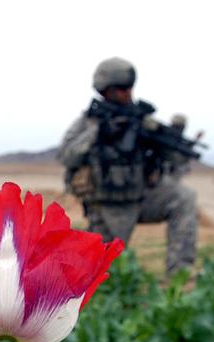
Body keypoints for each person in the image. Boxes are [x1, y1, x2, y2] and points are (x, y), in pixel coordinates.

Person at [57, 57, 198, 276]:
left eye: (130, 87)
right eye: (122, 88)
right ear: (106, 89)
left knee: (184, 197)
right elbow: (66, 156)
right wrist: (99, 133)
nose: (128, 93)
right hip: (108, 206)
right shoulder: (89, 122)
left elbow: (174, 159)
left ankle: (180, 277)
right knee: (104, 272)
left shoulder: (140, 119)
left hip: (142, 196)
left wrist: (166, 137)